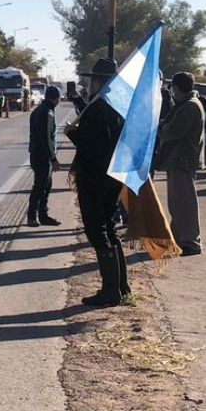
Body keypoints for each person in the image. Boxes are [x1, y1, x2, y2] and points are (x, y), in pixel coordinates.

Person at [65, 58, 128, 307]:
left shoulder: (99, 106)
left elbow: (91, 145)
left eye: (92, 78)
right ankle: (121, 286)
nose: (89, 82)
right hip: (112, 175)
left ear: (99, 80)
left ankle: (111, 291)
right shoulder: (117, 105)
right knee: (109, 229)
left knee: (97, 230)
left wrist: (72, 134)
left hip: (95, 176)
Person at [156, 72, 206, 256]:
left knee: (184, 204)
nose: (172, 93)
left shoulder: (190, 107)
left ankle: (191, 242)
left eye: (173, 89)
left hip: (182, 160)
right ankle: (177, 239)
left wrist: (159, 128)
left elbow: (172, 131)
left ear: (177, 88)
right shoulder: (184, 105)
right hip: (177, 160)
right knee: (177, 204)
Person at [28, 86, 63, 227]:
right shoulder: (48, 113)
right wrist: (53, 158)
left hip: (36, 153)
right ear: (56, 98)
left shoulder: (37, 111)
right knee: (40, 186)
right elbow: (46, 138)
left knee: (46, 185)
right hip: (42, 156)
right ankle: (33, 216)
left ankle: (43, 215)